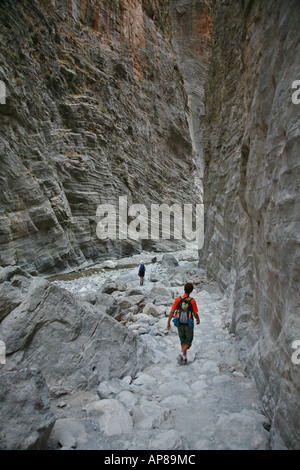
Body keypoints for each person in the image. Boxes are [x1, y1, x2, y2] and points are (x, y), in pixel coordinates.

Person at [167, 282, 200, 364]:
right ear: (191, 291)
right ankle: (182, 354)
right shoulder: (192, 301)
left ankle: (184, 359)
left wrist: (168, 322)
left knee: (182, 340)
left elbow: (172, 311)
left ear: (184, 289)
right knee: (188, 340)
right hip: (188, 323)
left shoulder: (178, 299)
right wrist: (197, 319)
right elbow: (195, 313)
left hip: (180, 322)